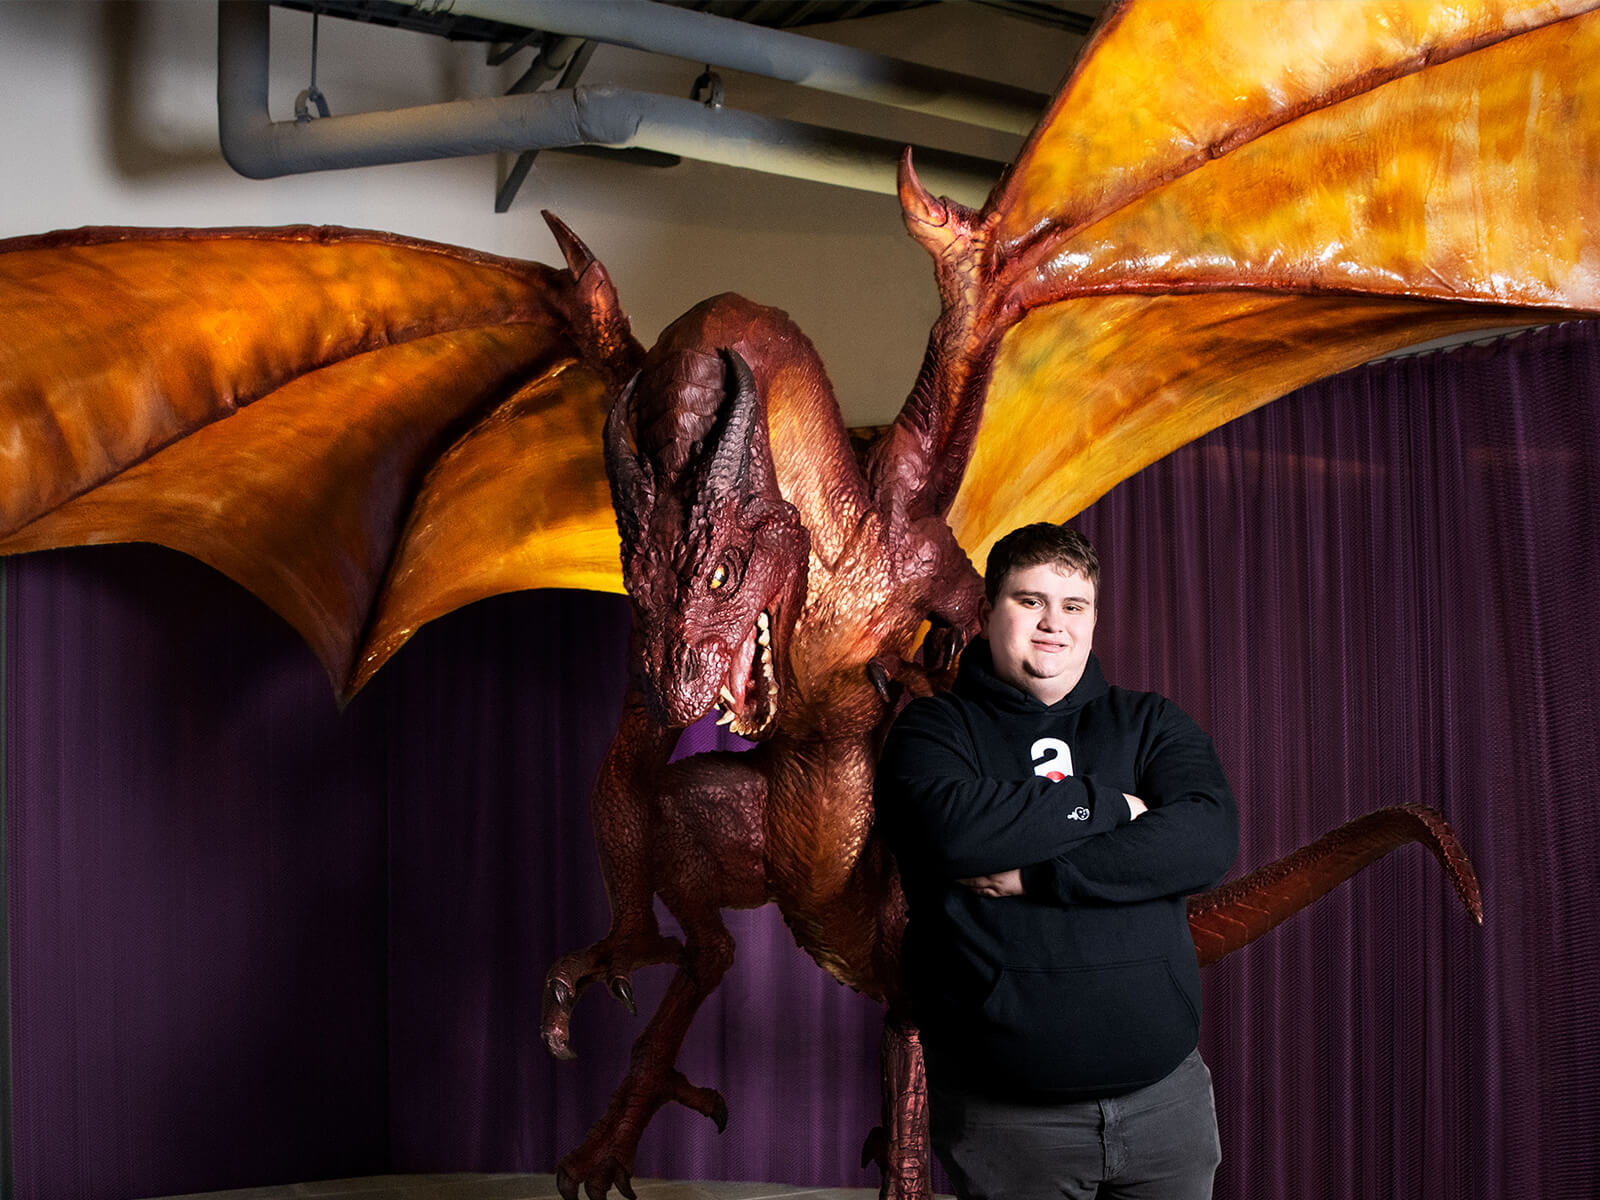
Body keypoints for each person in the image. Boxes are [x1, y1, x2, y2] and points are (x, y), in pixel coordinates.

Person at [874, 522, 1238, 1200]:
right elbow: (955, 832)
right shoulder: (934, 730)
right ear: (986, 615)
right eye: (1029, 601)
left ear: (1094, 618)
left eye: (1073, 606)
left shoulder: (1151, 723)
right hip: (1010, 1123)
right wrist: (1113, 808)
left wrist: (1040, 874)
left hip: (1168, 1107)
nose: (1054, 624)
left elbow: (1206, 839)